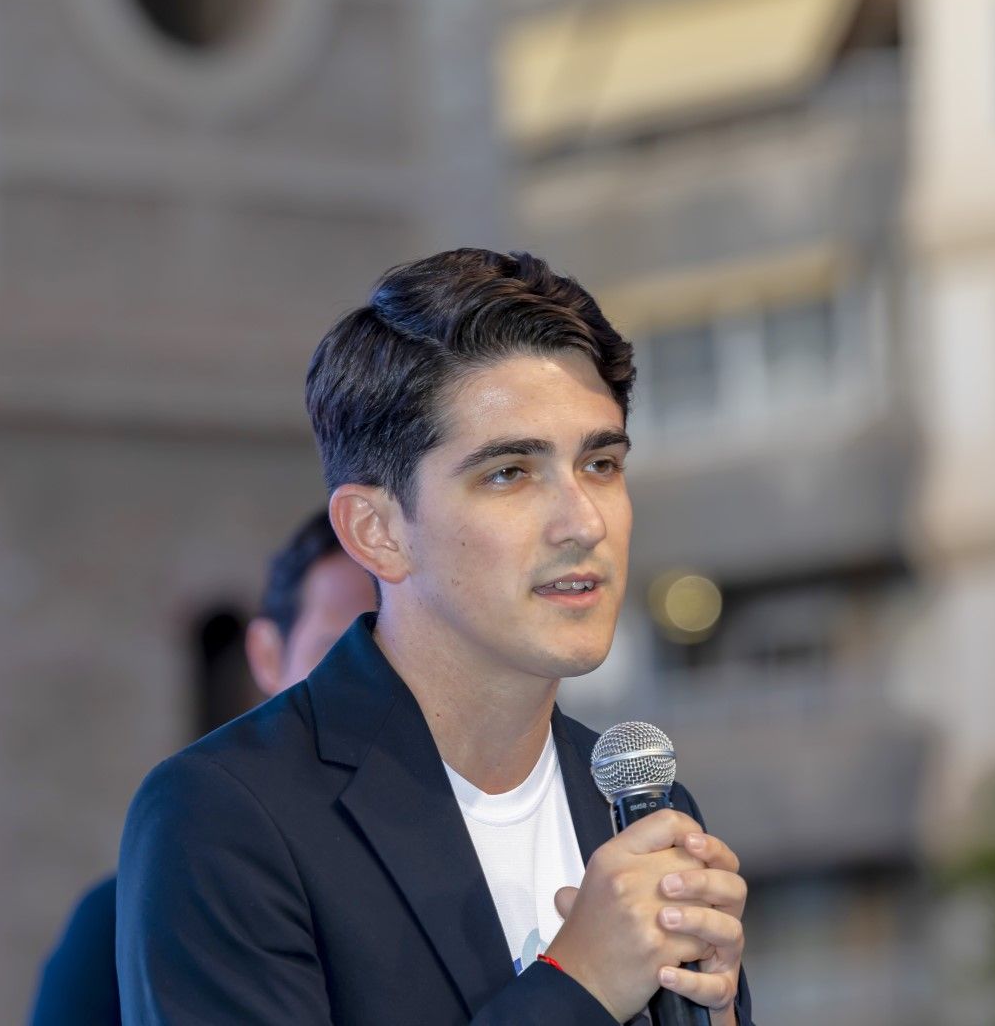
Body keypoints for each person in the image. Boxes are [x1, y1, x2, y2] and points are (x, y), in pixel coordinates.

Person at [117, 248, 752, 1025]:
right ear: (378, 531)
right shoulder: (227, 815)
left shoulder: (636, 806)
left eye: (600, 463)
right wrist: (580, 986)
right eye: (510, 473)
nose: (583, 522)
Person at [28, 511, 376, 1026]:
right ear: (267, 655)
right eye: (340, 653)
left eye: (402, 656)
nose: (377, 687)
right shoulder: (125, 920)